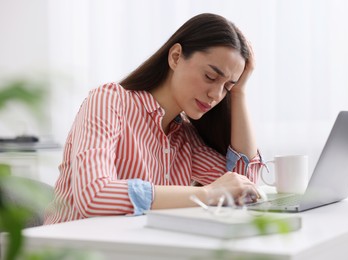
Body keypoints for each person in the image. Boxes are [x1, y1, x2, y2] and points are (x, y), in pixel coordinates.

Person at [44, 13, 264, 225]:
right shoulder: (109, 101)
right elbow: (94, 195)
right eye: (210, 77)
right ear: (176, 56)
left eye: (227, 86)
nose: (216, 95)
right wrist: (206, 193)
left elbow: (244, 187)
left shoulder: (185, 138)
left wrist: (239, 93)